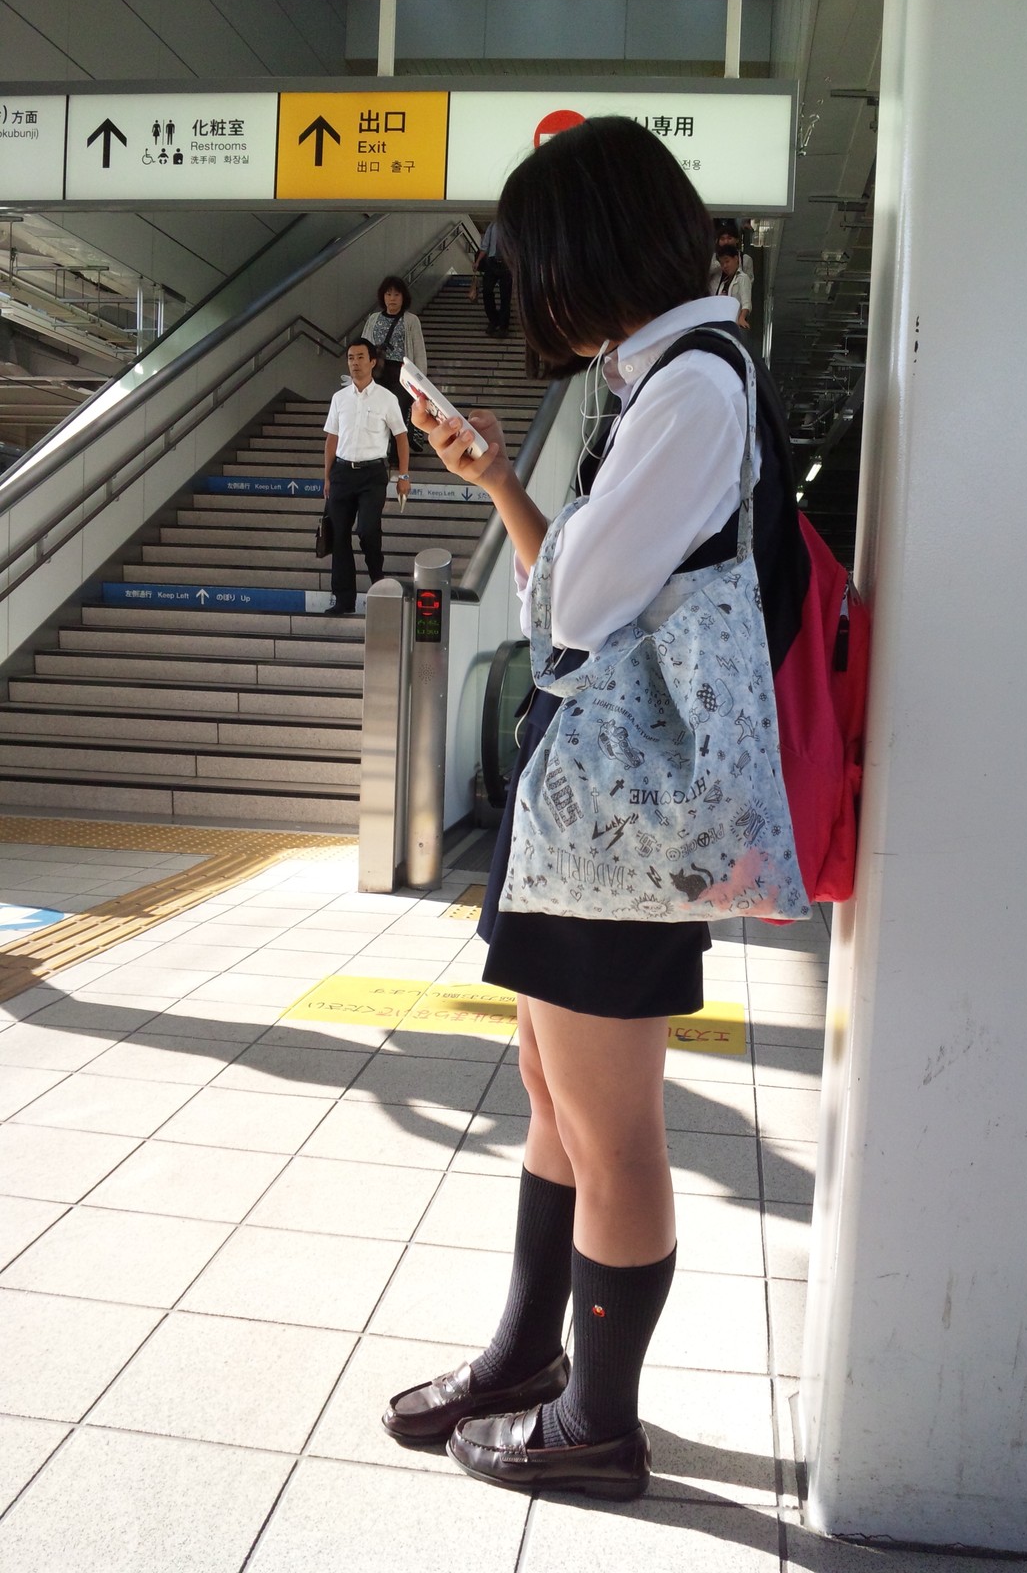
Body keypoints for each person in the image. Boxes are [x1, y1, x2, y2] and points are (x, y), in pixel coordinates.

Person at [381, 116, 803, 1499]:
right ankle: (528, 1359)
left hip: (625, 824)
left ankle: (598, 1424)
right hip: (590, 811)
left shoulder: (694, 386)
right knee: (551, 1088)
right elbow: (573, 597)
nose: (527, 295)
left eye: (531, 263)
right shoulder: (656, 378)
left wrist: (541, 526)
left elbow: (571, 605)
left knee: (613, 1127)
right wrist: (501, 480)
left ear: (589, 251)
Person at [321, 339, 410, 616]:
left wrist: (403, 475)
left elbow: (401, 437)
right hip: (342, 473)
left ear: (372, 362)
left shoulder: (387, 398)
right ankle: (343, 599)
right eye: (351, 358)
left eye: (360, 357)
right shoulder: (339, 398)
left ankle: (378, 581)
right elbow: (332, 439)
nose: (355, 363)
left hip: (373, 474)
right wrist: (327, 476)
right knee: (339, 536)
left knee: (368, 530)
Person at [362, 275, 428, 452]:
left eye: (397, 294)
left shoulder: (411, 320)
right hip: (378, 372)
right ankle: (378, 452)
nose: (392, 298)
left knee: (398, 412)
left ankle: (396, 457)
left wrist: (420, 380)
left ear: (403, 297)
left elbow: (419, 350)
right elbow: (364, 345)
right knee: (377, 413)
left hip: (402, 374)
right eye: (388, 294)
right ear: (382, 296)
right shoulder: (373, 319)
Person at [475, 220, 512, 336]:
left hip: (507, 263)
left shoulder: (513, 225)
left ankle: (503, 326)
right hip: (492, 262)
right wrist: (478, 261)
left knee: (505, 296)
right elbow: (485, 246)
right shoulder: (492, 226)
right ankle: (494, 319)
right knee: (487, 290)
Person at [712, 238, 752, 328]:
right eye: (722, 264)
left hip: (735, 324)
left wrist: (742, 318)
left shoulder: (742, 278)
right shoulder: (724, 282)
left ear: (736, 259)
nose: (725, 266)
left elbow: (746, 303)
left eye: (727, 261)